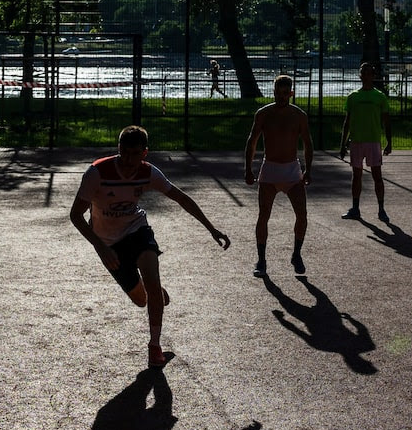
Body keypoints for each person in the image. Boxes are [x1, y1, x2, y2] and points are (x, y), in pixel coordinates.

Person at [71, 125, 232, 368]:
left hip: (137, 230)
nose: (129, 160)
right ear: (118, 149)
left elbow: (181, 198)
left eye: (135, 154)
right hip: (106, 242)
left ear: (144, 153)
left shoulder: (148, 172)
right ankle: (152, 289)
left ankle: (154, 346)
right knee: (141, 300)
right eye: (125, 153)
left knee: (152, 284)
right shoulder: (97, 172)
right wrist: (101, 248)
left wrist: (211, 229)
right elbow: (75, 215)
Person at [244, 74, 314, 275]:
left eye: (285, 93)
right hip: (270, 171)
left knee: (302, 215)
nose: (281, 97)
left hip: (292, 170)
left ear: (291, 93)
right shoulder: (263, 114)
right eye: (277, 93)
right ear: (273, 92)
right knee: (263, 215)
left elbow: (308, 144)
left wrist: (308, 169)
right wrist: (248, 168)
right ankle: (261, 260)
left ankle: (297, 254)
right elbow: (252, 141)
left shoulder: (299, 116)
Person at [338, 62, 394, 222]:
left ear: (374, 76)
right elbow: (347, 122)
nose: (367, 76)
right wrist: (342, 144)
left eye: (370, 73)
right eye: (364, 73)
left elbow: (387, 121)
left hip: (373, 142)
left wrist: (389, 142)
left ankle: (381, 209)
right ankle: (355, 208)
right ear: (360, 76)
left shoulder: (380, 97)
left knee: (377, 176)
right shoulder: (353, 97)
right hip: (356, 142)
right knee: (356, 176)